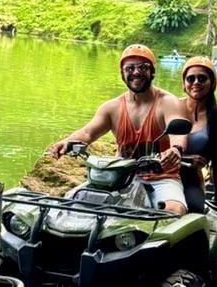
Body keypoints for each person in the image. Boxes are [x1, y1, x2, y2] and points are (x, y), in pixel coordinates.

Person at [47, 45, 188, 214]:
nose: (136, 72)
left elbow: (178, 132)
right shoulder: (111, 107)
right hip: (119, 176)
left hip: (161, 178)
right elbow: (87, 133)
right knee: (70, 202)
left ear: (152, 72)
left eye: (143, 67)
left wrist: (175, 149)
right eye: (130, 68)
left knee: (175, 210)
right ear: (122, 73)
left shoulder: (168, 102)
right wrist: (66, 142)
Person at [177, 55, 217, 211]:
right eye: (191, 79)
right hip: (164, 172)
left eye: (202, 78)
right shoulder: (172, 106)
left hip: (191, 179)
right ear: (184, 83)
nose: (196, 83)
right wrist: (185, 158)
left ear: (212, 82)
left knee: (194, 210)